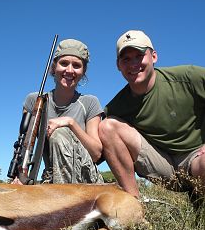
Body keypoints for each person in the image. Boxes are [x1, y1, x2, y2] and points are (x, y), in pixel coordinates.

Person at [99, 30, 205, 199]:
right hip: (162, 166)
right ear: (118, 65)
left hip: (197, 159)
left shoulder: (189, 77)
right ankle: (133, 205)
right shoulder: (115, 107)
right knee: (107, 126)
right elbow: (98, 153)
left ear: (154, 56)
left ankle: (199, 199)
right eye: (126, 59)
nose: (133, 64)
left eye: (139, 55)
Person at [14, 38, 104, 184]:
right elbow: (24, 145)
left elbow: (96, 154)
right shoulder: (33, 101)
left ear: (83, 71)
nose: (69, 70)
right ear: (54, 67)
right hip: (52, 177)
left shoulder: (90, 102)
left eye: (76, 65)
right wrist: (19, 175)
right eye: (63, 63)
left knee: (60, 133)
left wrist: (70, 123)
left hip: (86, 179)